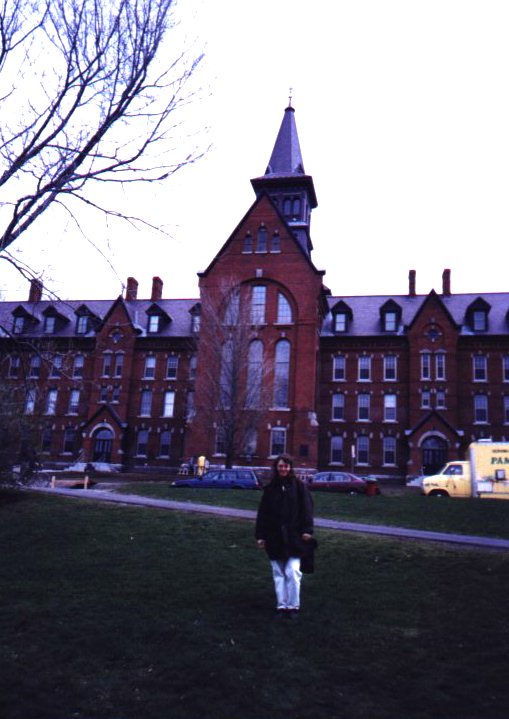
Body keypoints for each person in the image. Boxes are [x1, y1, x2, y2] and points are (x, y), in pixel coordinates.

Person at [255, 454, 315, 619]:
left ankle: (293, 606)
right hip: (274, 537)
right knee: (278, 573)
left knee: (293, 572)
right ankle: (282, 606)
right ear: (276, 467)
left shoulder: (299, 487)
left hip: (294, 537)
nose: (283, 469)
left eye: (286, 466)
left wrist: (307, 530)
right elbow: (263, 514)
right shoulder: (270, 489)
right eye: (280, 466)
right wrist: (260, 536)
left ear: (290, 468)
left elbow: (307, 510)